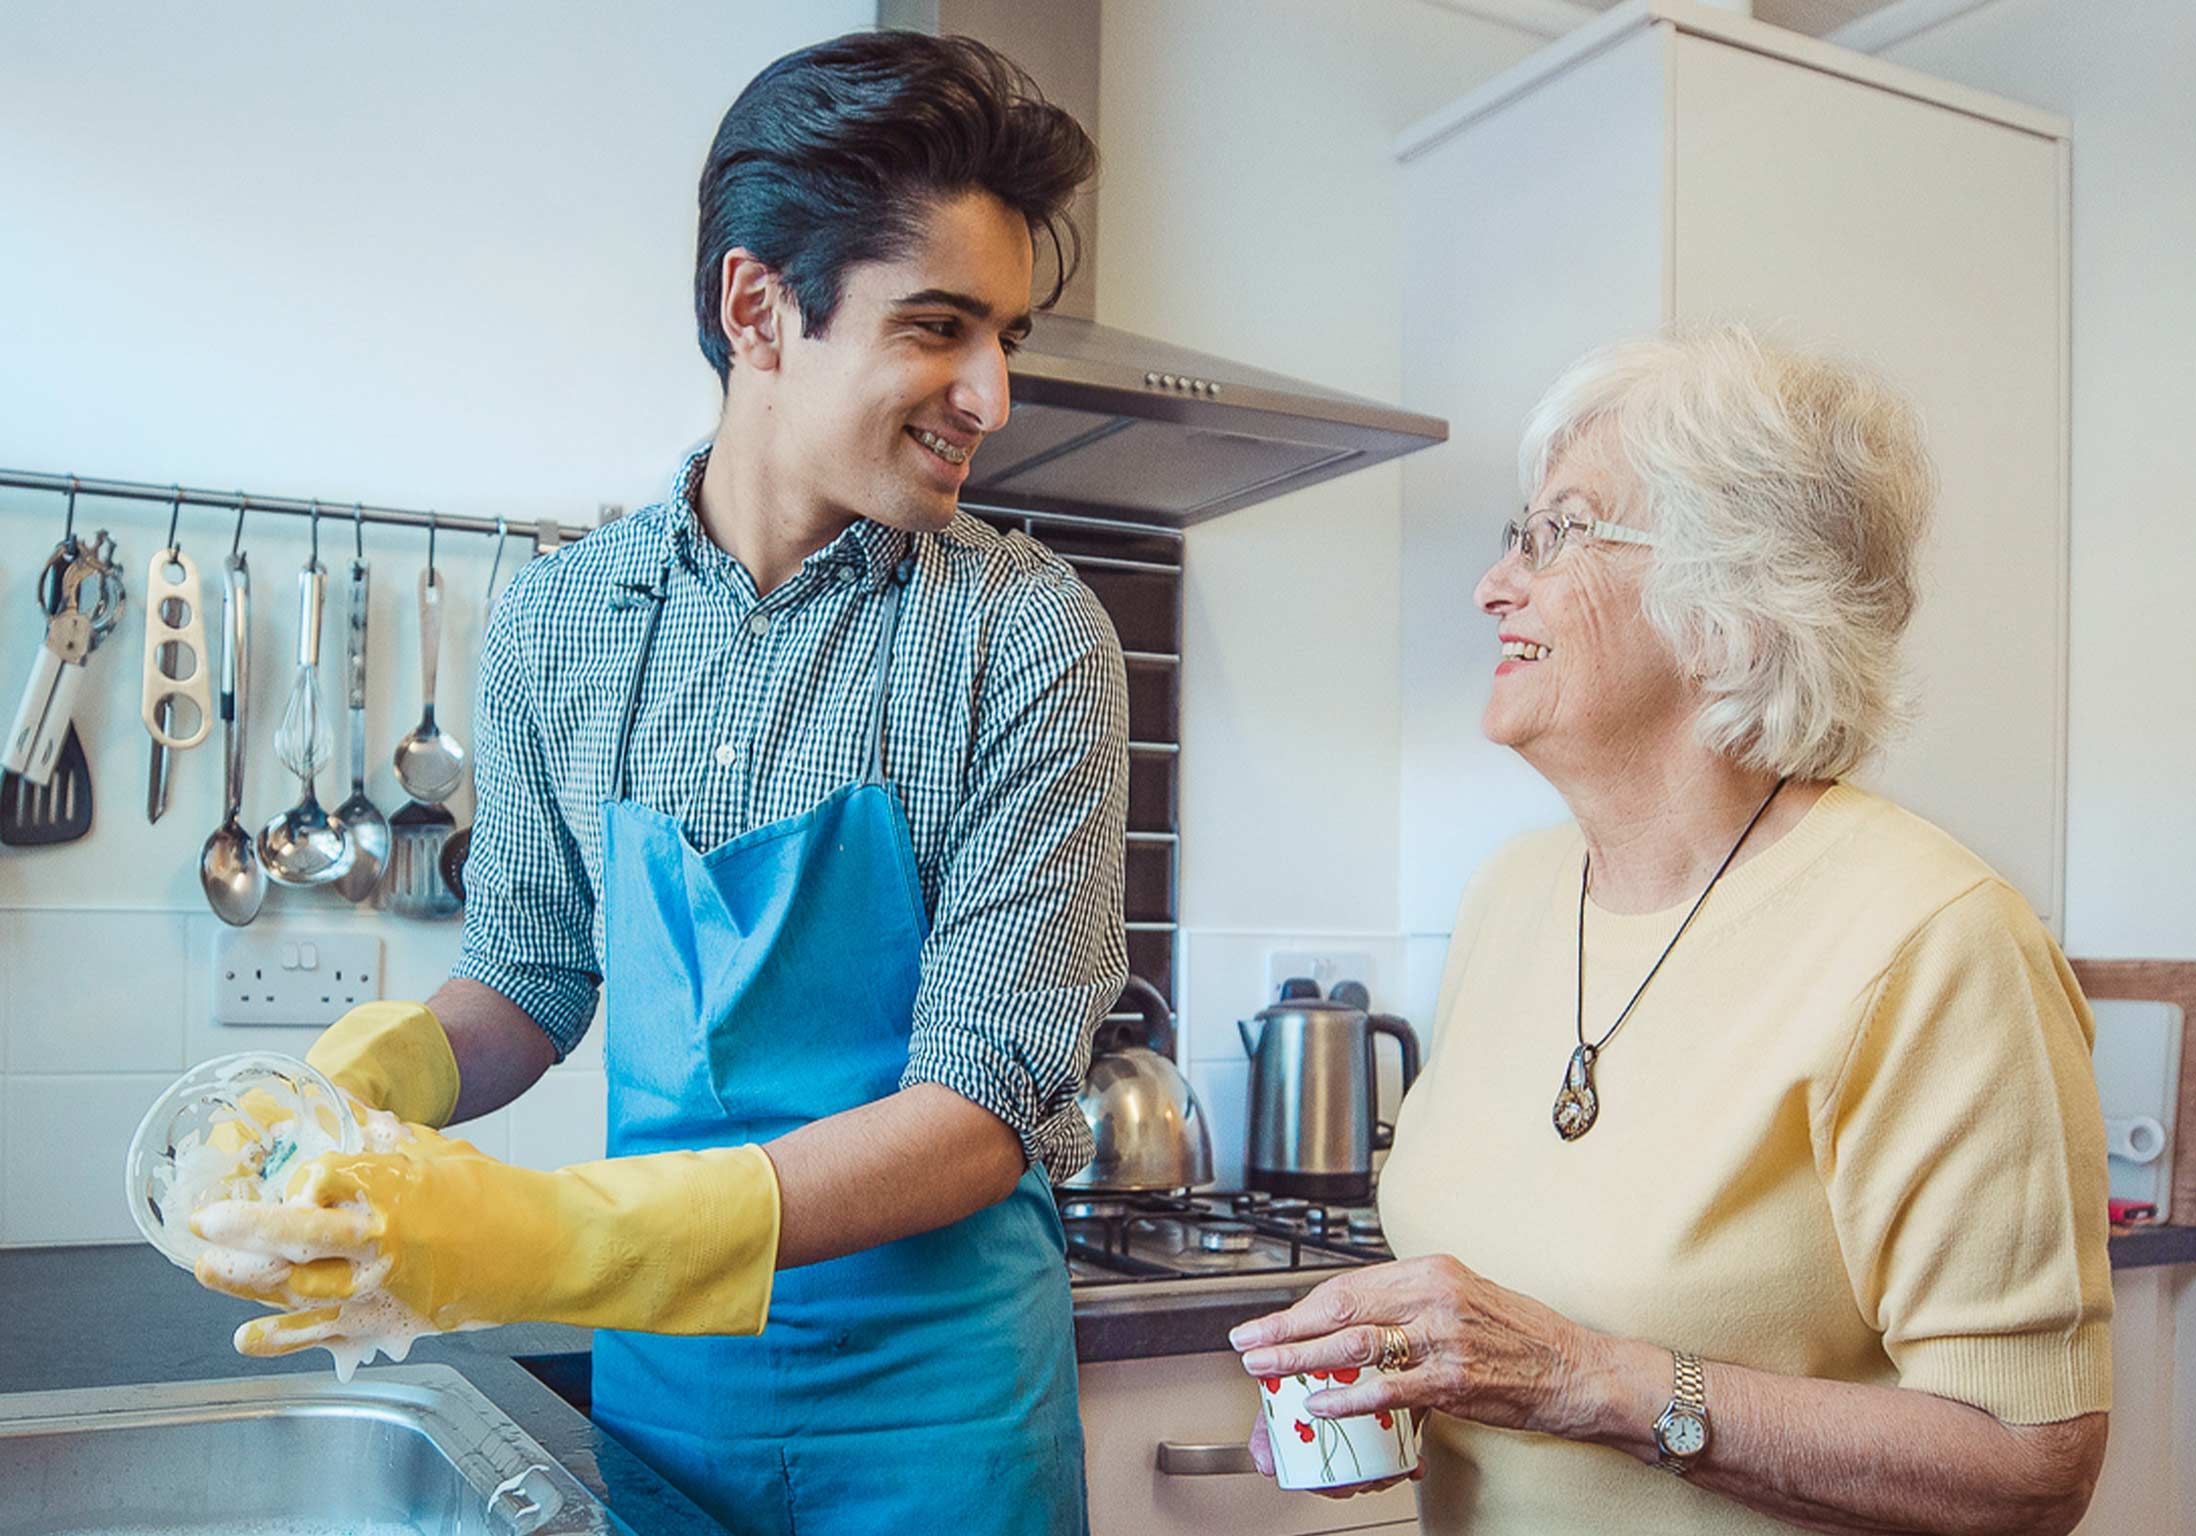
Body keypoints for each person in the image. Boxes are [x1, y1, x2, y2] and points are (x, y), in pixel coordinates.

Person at [191, 31, 1124, 1536]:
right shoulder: (565, 622)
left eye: (1005, 334)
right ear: (758, 308)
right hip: (671, 1405)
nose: (992, 394)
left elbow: (978, 1109)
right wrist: (347, 1096)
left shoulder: (1023, 638)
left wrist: (552, 1232)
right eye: (940, 327)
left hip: (942, 1418)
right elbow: (530, 979)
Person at [1227, 327, 2111, 1535]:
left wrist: (1587, 1384)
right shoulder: (1511, 899)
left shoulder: (1934, 939)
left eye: (1560, 533)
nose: (1497, 585)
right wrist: (1414, 1384)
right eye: (1513, 538)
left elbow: (2029, 1467)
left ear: (1733, 591)